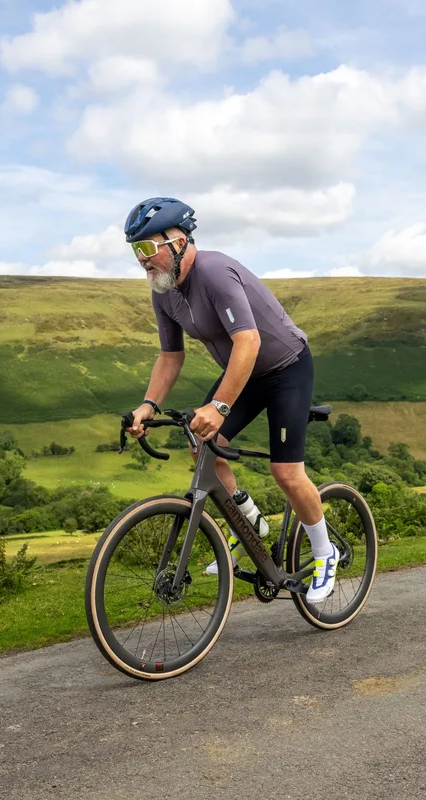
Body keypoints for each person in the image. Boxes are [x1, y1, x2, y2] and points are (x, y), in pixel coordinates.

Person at [122, 197, 337, 602]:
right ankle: (248, 524)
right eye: (136, 250)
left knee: (286, 472)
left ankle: (326, 554)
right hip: (245, 372)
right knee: (202, 443)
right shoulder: (164, 292)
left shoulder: (215, 272)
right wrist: (147, 406)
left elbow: (248, 341)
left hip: (286, 368)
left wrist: (219, 407)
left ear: (179, 241)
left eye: (148, 247)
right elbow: (170, 357)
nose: (142, 259)